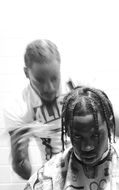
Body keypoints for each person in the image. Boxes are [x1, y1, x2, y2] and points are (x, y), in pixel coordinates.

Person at [19, 86, 119, 190]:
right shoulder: (45, 180)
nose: (87, 147)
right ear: (68, 132)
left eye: (95, 135)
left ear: (109, 125)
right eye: (78, 136)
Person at [4, 39, 74, 180]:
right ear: (26, 73)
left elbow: (118, 132)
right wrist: (17, 155)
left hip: (93, 165)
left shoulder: (77, 85)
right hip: (55, 175)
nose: (50, 88)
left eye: (55, 78)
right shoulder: (18, 107)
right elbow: (24, 173)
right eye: (40, 80)